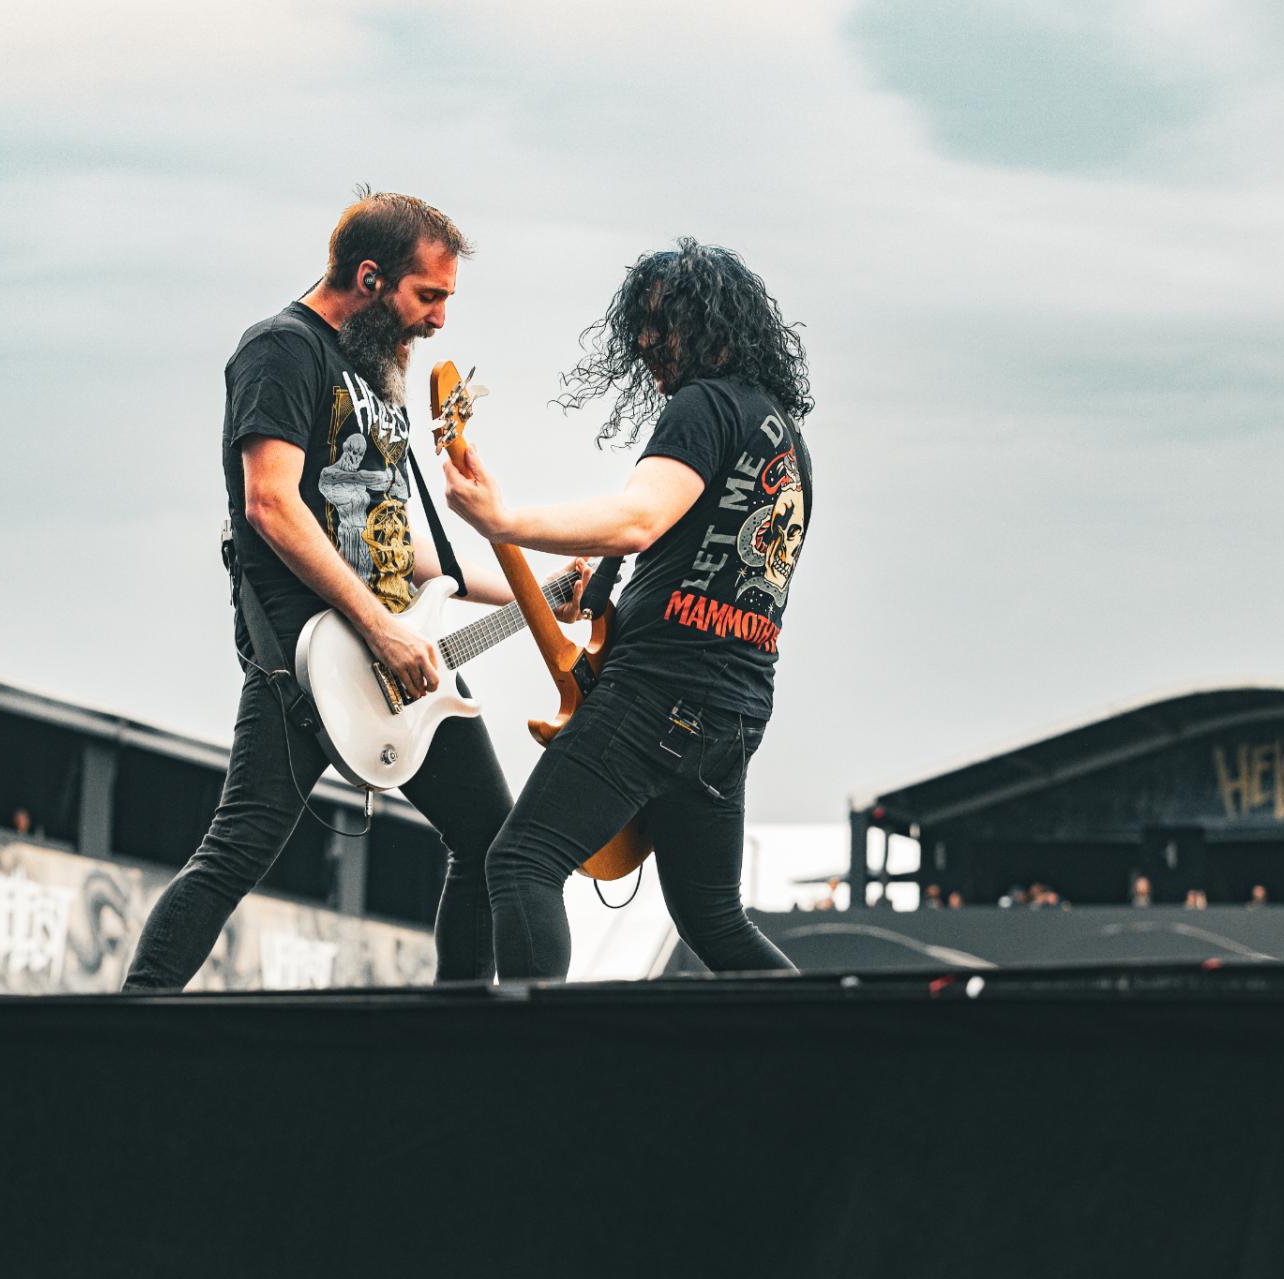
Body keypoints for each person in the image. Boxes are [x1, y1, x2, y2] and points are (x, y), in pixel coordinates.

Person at [121, 189, 576, 992]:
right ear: (370, 278)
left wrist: (536, 595)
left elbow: (407, 553)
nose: (439, 320)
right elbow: (270, 503)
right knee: (237, 849)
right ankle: (128, 1021)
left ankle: (460, 1034)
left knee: (489, 840)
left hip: (400, 652)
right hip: (312, 655)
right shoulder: (281, 349)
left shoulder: (376, 376)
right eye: (427, 295)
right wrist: (379, 627)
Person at [445, 237, 813, 980]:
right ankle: (843, 1037)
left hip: (659, 695)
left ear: (706, 324)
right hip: (734, 715)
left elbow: (640, 519)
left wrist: (504, 519)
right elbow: (705, 558)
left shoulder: (702, 406)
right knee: (714, 919)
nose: (646, 342)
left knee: (521, 861)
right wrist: (605, 591)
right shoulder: (785, 438)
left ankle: (532, 1051)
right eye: (640, 325)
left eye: (660, 323)